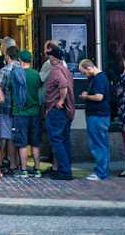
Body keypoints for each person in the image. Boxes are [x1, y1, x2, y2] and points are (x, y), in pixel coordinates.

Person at [6, 50, 42, 178]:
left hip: (20, 112)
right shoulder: (36, 74)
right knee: (35, 143)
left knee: (22, 143)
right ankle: (37, 169)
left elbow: (8, 86)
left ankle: (24, 169)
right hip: (35, 111)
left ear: (20, 60)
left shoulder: (15, 73)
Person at [45, 47, 75, 181]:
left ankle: (64, 170)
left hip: (57, 110)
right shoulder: (66, 70)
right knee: (65, 140)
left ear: (52, 58)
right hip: (67, 111)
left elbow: (63, 84)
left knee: (56, 140)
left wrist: (60, 101)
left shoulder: (56, 70)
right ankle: (67, 168)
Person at [79, 58, 110, 180]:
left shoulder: (98, 78)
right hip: (101, 115)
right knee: (102, 144)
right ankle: (103, 171)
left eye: (84, 72)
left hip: (97, 116)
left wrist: (86, 97)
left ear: (89, 68)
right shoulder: (100, 78)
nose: (84, 75)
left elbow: (98, 97)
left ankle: (100, 172)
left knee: (98, 145)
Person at [0, 45, 20, 172]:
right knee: (16, 134)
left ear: (7, 56)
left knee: (5, 135)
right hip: (20, 108)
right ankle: (15, 162)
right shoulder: (23, 69)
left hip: (5, 107)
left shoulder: (5, 71)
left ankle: (1, 162)